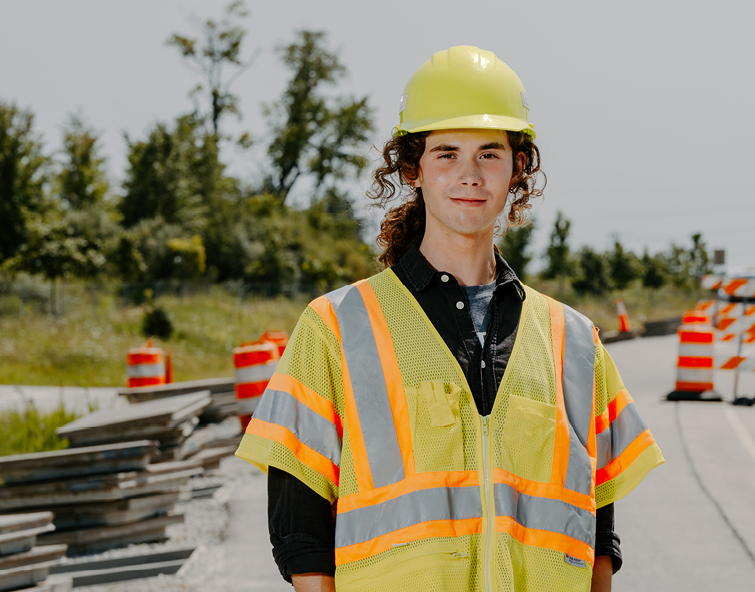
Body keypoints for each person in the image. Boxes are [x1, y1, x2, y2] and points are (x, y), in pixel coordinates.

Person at [236, 45, 664, 592]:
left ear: (518, 167)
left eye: (489, 153)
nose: (470, 174)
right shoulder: (336, 327)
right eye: (446, 154)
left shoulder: (574, 341)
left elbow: (598, 535)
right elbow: (300, 534)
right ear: (413, 168)